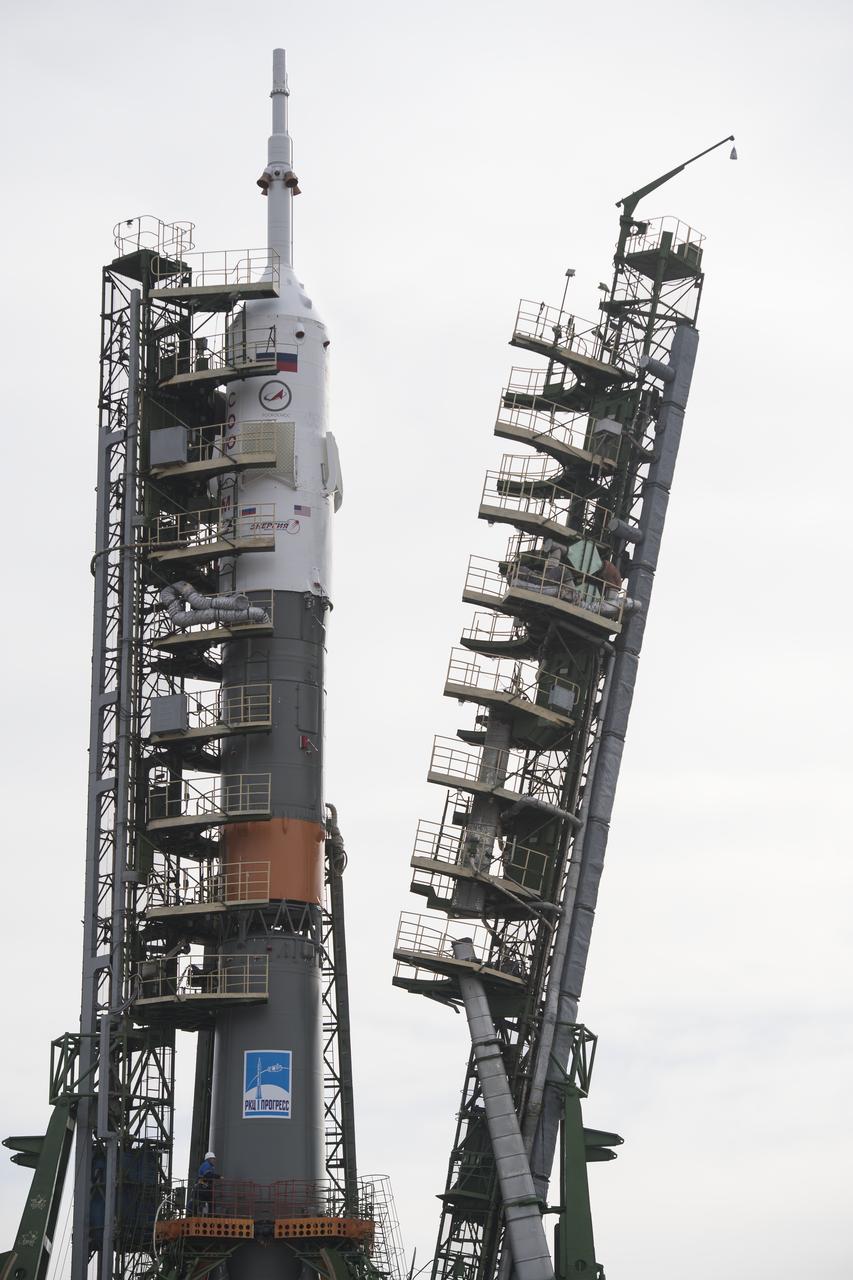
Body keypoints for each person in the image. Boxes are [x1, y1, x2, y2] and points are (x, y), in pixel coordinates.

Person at [196, 1151, 221, 1216]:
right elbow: (207, 1175)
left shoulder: (209, 1166)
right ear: (208, 1159)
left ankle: (206, 1215)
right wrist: (218, 1176)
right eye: (212, 1159)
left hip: (204, 1187)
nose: (214, 1160)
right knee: (210, 1202)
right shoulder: (206, 1165)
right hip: (203, 1188)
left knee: (207, 1202)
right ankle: (210, 1215)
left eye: (214, 1159)